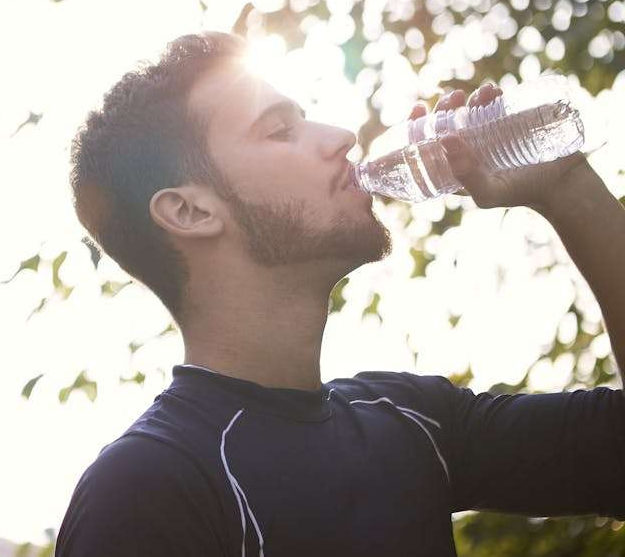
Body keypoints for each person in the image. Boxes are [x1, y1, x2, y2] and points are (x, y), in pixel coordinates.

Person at [56, 31, 625, 556]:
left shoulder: (410, 419)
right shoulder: (148, 486)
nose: (342, 138)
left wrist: (567, 188)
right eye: (281, 130)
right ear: (190, 210)